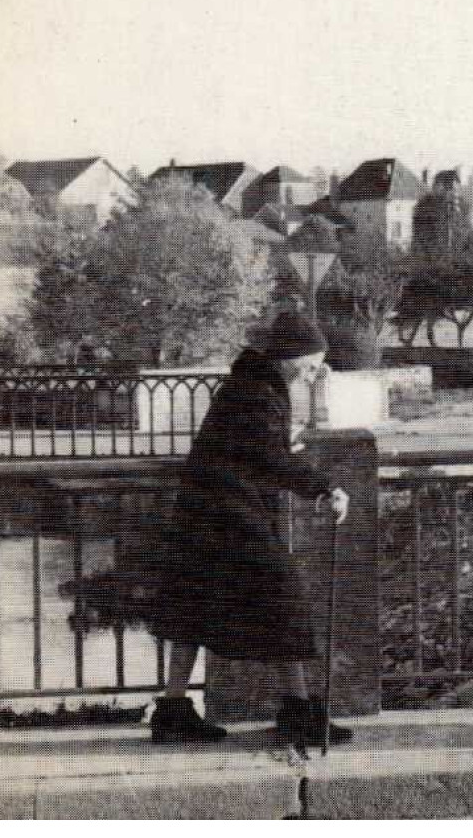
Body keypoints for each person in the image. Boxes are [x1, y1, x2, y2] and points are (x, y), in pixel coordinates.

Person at [145, 311, 352, 746]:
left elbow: (254, 446)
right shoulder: (259, 392)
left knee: (193, 609)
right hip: (230, 515)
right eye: (311, 364)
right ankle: (298, 712)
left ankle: (173, 710)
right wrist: (325, 486)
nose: (315, 373)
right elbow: (267, 458)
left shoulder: (251, 385)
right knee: (285, 600)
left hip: (207, 513)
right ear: (287, 357)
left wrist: (279, 445)